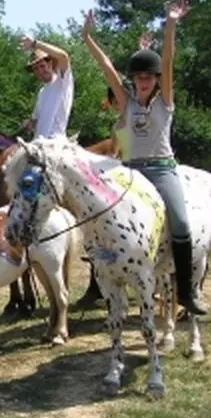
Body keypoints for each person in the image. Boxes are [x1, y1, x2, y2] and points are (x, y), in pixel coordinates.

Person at [81, 1, 207, 315]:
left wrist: (171, 23)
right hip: (132, 171)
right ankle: (105, 274)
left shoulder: (165, 101)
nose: (143, 80)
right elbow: (106, 68)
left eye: (148, 76)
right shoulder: (125, 103)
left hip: (163, 169)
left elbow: (167, 61)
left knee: (180, 222)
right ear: (133, 80)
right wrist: (87, 38)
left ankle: (187, 290)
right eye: (138, 77)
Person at [78, 32, 154, 307]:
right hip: (126, 173)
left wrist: (143, 51)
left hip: (150, 171)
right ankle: (102, 269)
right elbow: (107, 68)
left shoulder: (151, 107)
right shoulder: (121, 117)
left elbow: (151, 71)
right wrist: (88, 41)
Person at [19, 34, 74, 139]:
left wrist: (35, 44)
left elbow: (63, 56)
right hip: (39, 143)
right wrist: (29, 124)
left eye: (42, 66)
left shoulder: (62, 81)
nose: (40, 71)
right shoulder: (42, 92)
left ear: (50, 64)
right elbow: (37, 120)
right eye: (35, 69)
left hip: (55, 143)